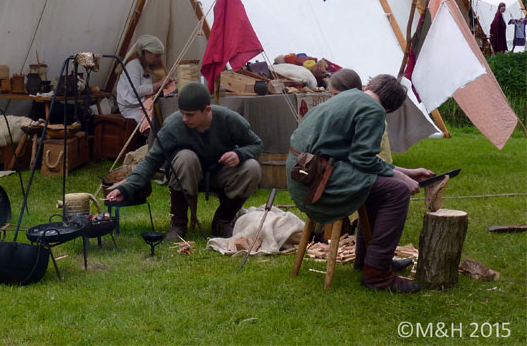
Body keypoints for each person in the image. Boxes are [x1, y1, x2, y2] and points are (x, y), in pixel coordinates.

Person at [286, 74, 433, 293]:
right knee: (397, 191)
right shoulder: (373, 110)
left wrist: (405, 172)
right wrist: (402, 179)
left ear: (368, 86)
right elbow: (363, 160)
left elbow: (358, 157)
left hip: (303, 171)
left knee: (380, 186)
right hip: (314, 179)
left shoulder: (349, 97)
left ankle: (368, 260)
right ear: (390, 109)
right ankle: (378, 274)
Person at [106, 82, 262, 240]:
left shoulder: (229, 119)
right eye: (182, 113)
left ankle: (223, 221)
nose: (184, 119)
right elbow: (151, 160)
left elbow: (256, 144)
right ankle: (178, 225)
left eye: (190, 115)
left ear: (207, 110)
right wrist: (125, 188)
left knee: (252, 167)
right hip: (186, 176)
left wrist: (239, 154)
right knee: (185, 157)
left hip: (221, 172)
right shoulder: (174, 125)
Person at [115, 35, 170, 122]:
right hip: (132, 109)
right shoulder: (134, 65)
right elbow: (135, 92)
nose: (159, 59)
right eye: (157, 56)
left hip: (143, 105)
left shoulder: (147, 65)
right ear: (146, 52)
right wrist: (159, 84)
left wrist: (168, 82)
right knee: (156, 119)